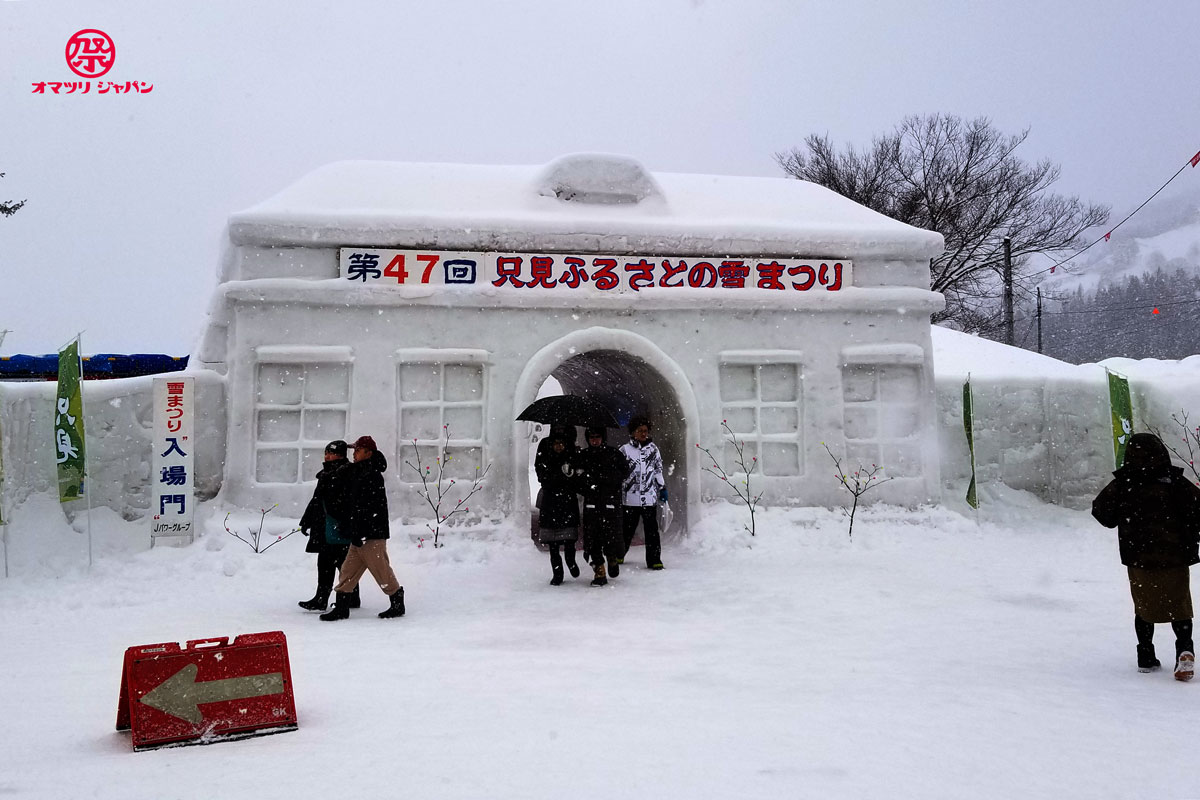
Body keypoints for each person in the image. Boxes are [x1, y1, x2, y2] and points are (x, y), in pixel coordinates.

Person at [1092, 432, 1200, 681]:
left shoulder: (1124, 483)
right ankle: (1184, 650)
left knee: (1143, 607)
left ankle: (1146, 656)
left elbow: (1102, 513)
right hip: (1174, 557)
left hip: (1140, 557)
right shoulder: (1174, 481)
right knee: (1180, 606)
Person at [320, 435, 406, 621]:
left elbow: (369, 508)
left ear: (369, 453)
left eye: (358, 450)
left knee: (381, 570)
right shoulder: (358, 471)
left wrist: (361, 531)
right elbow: (352, 503)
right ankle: (342, 608)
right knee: (348, 571)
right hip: (358, 534)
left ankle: (397, 602)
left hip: (371, 535)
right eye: (354, 450)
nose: (354, 454)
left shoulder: (371, 474)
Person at [297, 440, 360, 611]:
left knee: (342, 564)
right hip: (325, 526)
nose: (327, 456)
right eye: (326, 453)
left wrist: (344, 521)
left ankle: (345, 597)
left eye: (331, 453)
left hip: (337, 526)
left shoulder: (345, 473)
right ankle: (326, 597)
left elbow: (347, 502)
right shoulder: (327, 474)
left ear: (340, 455)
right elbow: (317, 500)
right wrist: (307, 521)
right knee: (329, 563)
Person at [575, 426, 631, 586]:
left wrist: (610, 482)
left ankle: (612, 558)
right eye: (591, 437)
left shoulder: (613, 454)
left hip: (610, 503)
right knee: (592, 539)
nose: (594, 440)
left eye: (597, 437)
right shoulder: (583, 456)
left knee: (611, 536)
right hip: (592, 504)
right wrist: (588, 486)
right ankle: (599, 571)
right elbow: (578, 479)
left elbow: (625, 471)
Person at [534, 425, 581, 585]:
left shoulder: (572, 453)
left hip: (567, 501)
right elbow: (541, 472)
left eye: (562, 443)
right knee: (553, 544)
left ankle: (570, 561)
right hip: (550, 501)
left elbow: (575, 475)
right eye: (556, 443)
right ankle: (557, 572)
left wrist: (569, 475)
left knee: (569, 540)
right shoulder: (545, 451)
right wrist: (556, 476)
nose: (559, 446)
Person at [619, 416, 666, 570]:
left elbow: (658, 470)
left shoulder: (653, 450)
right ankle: (619, 553)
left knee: (652, 530)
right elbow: (618, 472)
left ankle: (654, 559)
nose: (643, 434)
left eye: (645, 431)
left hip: (649, 498)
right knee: (627, 529)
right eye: (640, 431)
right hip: (630, 499)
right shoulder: (625, 450)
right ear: (633, 432)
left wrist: (662, 488)